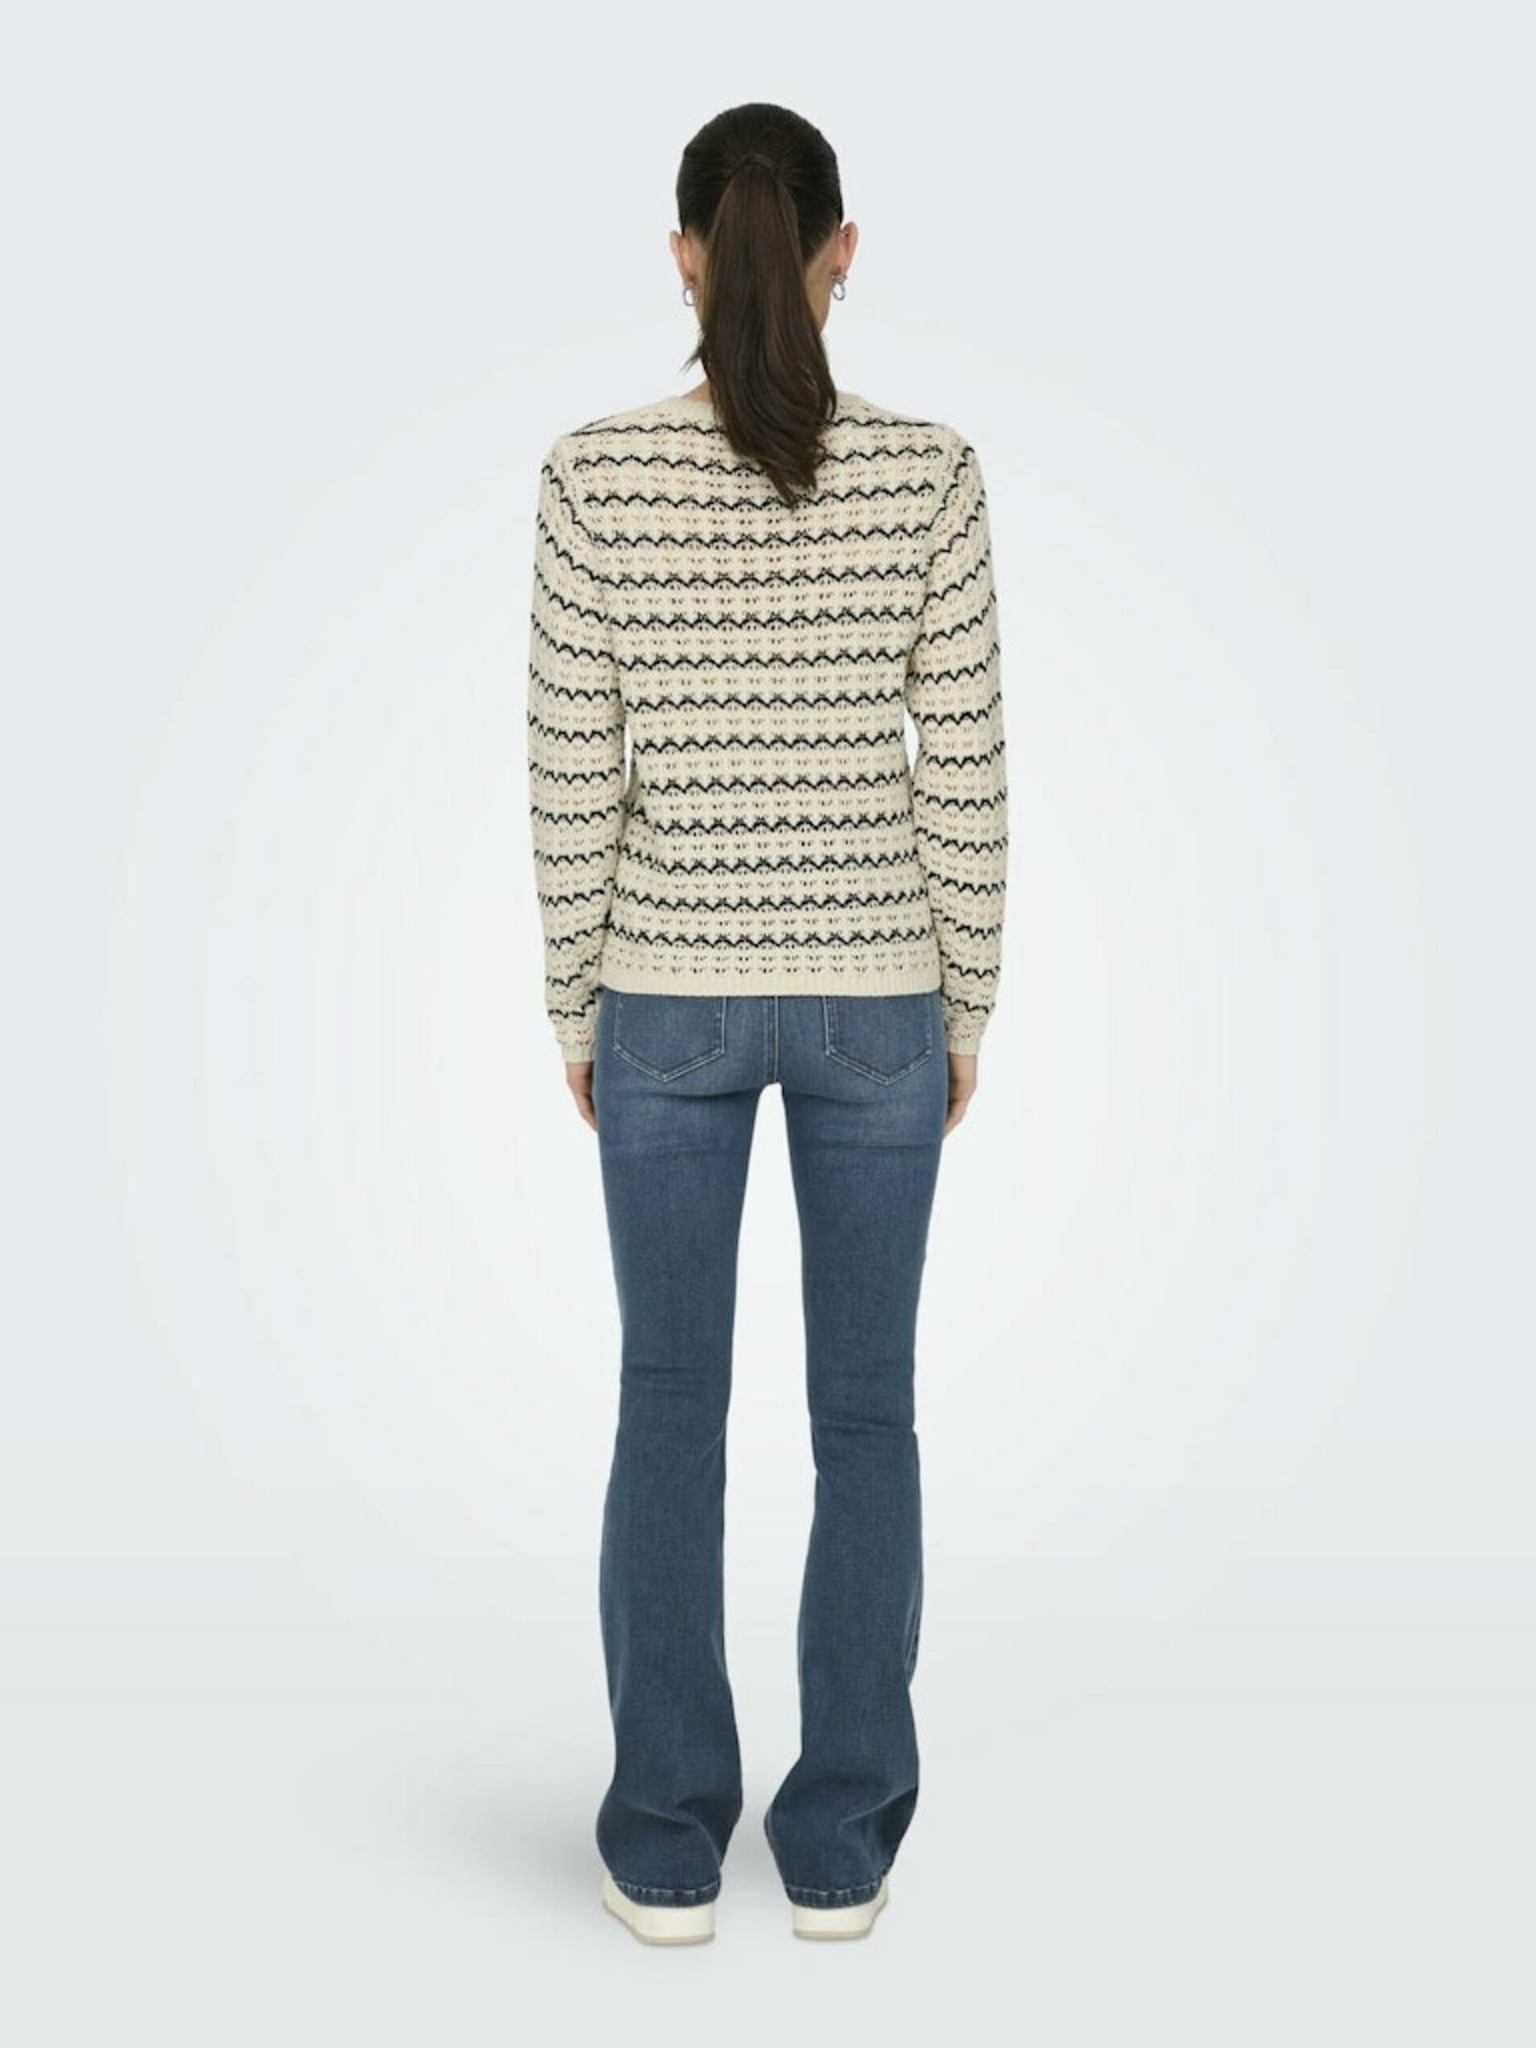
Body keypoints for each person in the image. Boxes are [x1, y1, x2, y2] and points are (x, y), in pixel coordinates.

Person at [526, 100, 1008, 1945]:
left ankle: (664, 1836)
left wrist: (580, 1000)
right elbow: (965, 771)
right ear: (840, 251)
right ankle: (839, 1845)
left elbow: (572, 775)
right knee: (866, 1415)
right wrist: (965, 1000)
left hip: (668, 989)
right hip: (879, 988)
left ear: (682, 257)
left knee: (669, 1408)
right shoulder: (933, 477)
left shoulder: (593, 478)